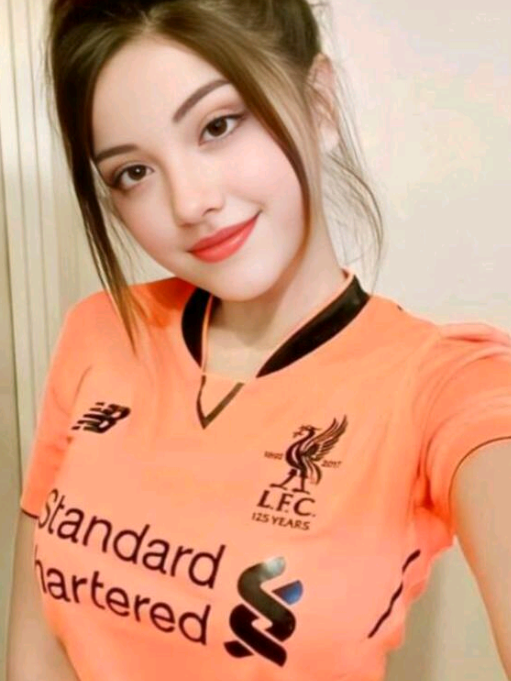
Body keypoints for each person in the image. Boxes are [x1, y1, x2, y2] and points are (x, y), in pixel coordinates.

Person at [6, 1, 511, 680]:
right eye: (134, 172)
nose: (189, 203)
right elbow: (35, 647)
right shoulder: (99, 331)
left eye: (218, 125)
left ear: (319, 104)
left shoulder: (443, 383)